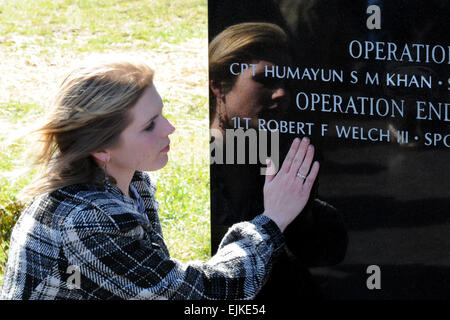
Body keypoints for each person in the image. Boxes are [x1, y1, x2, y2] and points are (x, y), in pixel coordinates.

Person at [0, 57, 320, 300]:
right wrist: (273, 220)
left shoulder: (130, 179)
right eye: (149, 124)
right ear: (101, 148)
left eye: (161, 113)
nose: (169, 128)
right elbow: (201, 294)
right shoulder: (85, 224)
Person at [209, 22, 348, 299]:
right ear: (219, 85)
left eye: (287, 82)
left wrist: (305, 211)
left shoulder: (272, 149)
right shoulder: (195, 161)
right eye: (265, 79)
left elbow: (326, 250)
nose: (281, 93)